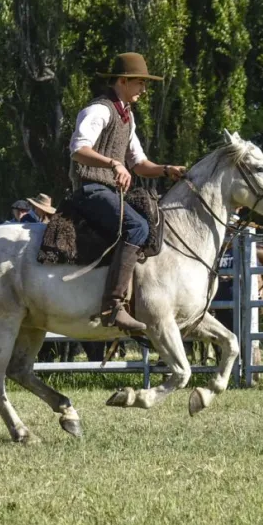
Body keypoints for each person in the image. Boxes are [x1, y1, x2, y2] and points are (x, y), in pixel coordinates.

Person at [68, 52, 187, 333]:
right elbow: (78, 150)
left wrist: (167, 169)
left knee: (152, 222)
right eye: (140, 83)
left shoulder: (127, 118)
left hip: (110, 193)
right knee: (137, 225)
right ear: (123, 81)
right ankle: (113, 306)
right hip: (90, 190)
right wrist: (113, 163)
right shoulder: (98, 110)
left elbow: (140, 164)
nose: (144, 90)